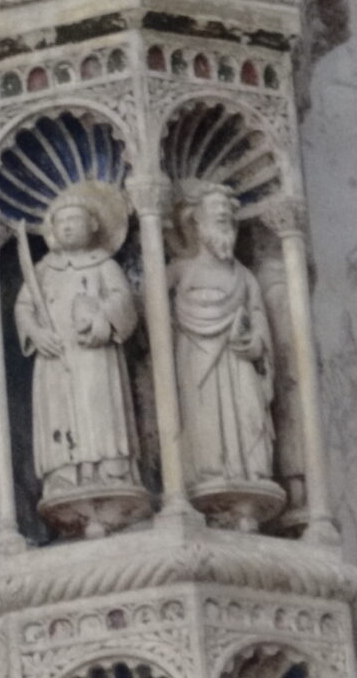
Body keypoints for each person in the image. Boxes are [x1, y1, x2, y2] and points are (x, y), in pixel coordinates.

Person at [17, 182, 143, 537]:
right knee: (62, 412)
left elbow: (123, 301)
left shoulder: (104, 265)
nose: (68, 227)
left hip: (96, 358)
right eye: (62, 222)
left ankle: (110, 470)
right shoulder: (44, 270)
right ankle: (66, 475)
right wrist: (36, 333)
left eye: (75, 220)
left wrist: (103, 321)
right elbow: (24, 307)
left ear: (94, 225)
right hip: (56, 361)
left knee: (99, 408)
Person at [170, 184, 279, 523]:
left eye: (229, 219)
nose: (224, 221)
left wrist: (257, 340)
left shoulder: (244, 277)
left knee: (248, 411)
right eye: (217, 216)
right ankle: (207, 475)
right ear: (196, 223)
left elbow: (259, 317)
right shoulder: (180, 270)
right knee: (204, 417)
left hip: (237, 358)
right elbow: (152, 318)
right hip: (196, 360)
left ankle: (250, 473)